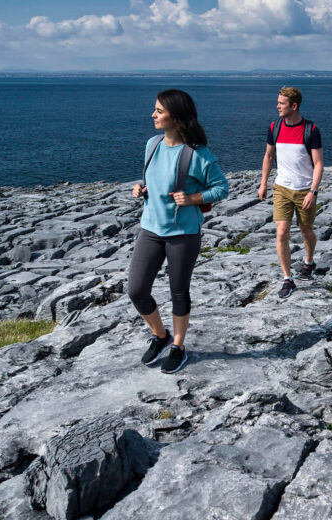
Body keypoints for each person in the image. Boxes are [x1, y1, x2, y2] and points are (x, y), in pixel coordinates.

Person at [129, 89, 229, 374]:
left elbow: (222, 189)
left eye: (159, 111)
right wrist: (142, 189)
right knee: (136, 290)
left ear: (176, 116)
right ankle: (160, 336)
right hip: (150, 228)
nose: (153, 115)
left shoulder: (199, 154)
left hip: (183, 233)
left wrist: (194, 198)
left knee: (178, 292)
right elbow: (155, 179)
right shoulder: (152, 144)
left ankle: (178, 347)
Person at [258, 86, 324, 298]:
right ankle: (288, 279)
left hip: (305, 190)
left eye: (281, 103)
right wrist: (263, 183)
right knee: (282, 231)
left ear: (294, 106)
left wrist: (313, 192)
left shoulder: (311, 130)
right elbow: (268, 156)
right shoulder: (274, 127)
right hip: (282, 188)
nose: (277, 106)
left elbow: (318, 163)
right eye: (278, 102)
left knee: (306, 230)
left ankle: (308, 261)